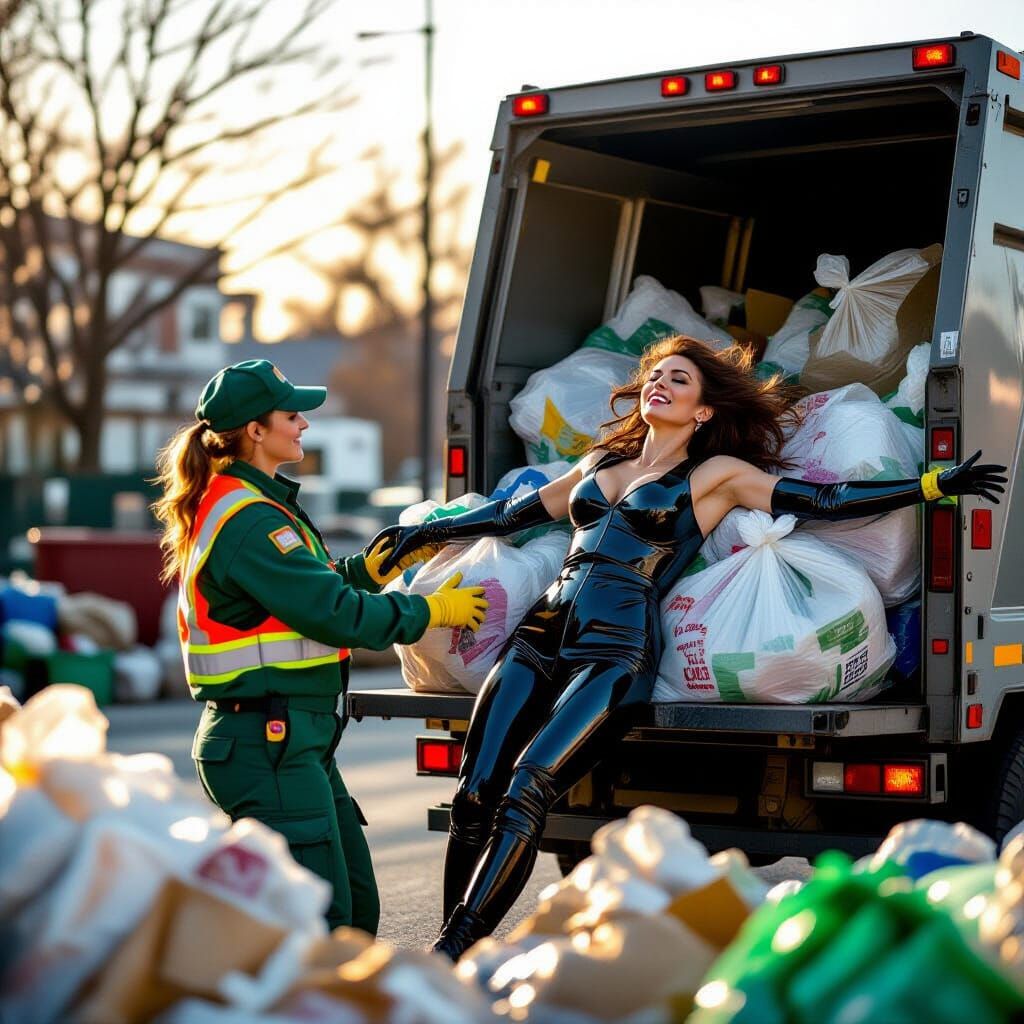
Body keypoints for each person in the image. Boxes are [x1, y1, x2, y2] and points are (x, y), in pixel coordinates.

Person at [372, 335, 1007, 959]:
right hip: (540, 634)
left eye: (679, 379)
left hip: (615, 651)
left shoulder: (715, 476)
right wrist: (424, 532)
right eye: (655, 375)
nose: (660, 385)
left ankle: (459, 944)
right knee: (474, 793)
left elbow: (820, 501)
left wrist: (930, 485)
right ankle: (446, 949)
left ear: (704, 410)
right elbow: (512, 514)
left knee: (528, 790)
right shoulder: (599, 465)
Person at [153, 359, 489, 935]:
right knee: (321, 922)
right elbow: (332, 614)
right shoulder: (249, 519)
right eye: (292, 414)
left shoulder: (259, 504)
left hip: (290, 740)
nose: (304, 423)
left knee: (354, 907)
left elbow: (305, 594)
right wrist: (432, 612)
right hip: (264, 744)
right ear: (255, 430)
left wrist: (368, 570)